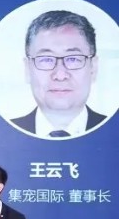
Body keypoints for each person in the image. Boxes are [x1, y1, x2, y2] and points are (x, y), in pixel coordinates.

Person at [11, 10, 105, 138]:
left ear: (93, 68)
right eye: (46, 60)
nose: (60, 76)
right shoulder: (4, 132)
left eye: (73, 59)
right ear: (28, 69)